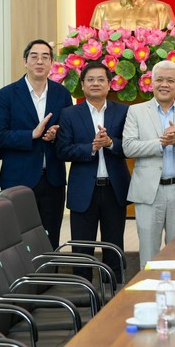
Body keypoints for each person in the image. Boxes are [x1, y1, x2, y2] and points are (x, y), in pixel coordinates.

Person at [0, 39, 73, 249]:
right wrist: (30, 135)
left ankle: (49, 279)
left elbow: (69, 134)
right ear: (25, 61)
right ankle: (23, 281)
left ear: (52, 63)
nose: (39, 61)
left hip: (53, 179)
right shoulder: (6, 94)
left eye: (45, 57)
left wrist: (56, 135)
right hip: (18, 180)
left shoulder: (61, 94)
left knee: (50, 234)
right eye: (34, 56)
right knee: (17, 238)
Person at [56, 62, 130, 281]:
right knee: (82, 249)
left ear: (109, 84)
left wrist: (109, 143)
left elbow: (131, 145)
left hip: (114, 189)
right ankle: (83, 296)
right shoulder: (69, 114)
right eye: (90, 80)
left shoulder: (123, 112)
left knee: (114, 247)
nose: (95, 84)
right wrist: (91, 147)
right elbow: (62, 150)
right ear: (82, 84)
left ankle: (115, 293)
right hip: (83, 191)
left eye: (101, 80)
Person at [123, 60, 175, 269]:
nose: (164, 84)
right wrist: (160, 143)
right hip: (149, 191)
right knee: (149, 251)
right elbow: (128, 147)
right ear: (151, 82)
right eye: (159, 80)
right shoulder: (136, 111)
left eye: (170, 80)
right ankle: (149, 296)